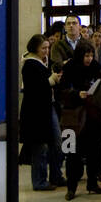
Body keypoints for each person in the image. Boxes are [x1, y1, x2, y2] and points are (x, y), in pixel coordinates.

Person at [58, 43, 101, 199]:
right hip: (72, 117)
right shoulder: (70, 68)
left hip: (93, 117)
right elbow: (60, 91)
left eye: (91, 55)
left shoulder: (96, 67)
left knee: (95, 151)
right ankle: (71, 187)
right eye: (86, 56)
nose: (89, 59)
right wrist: (76, 94)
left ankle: (92, 183)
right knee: (72, 153)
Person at [19, 34, 60, 191]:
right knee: (40, 147)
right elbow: (33, 88)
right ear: (35, 48)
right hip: (35, 112)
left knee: (55, 143)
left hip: (46, 107)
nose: (46, 51)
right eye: (43, 48)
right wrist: (50, 81)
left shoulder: (42, 63)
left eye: (48, 48)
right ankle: (39, 181)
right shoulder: (30, 64)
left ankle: (55, 176)